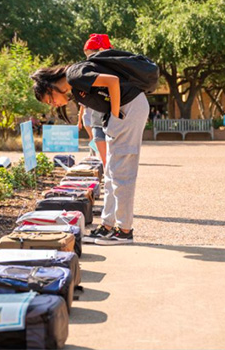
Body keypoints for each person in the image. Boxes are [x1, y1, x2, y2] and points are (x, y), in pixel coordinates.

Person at [30, 45, 150, 246]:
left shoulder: (75, 75)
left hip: (129, 108)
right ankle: (108, 225)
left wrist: (114, 115)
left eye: (49, 100)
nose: (54, 104)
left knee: (122, 172)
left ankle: (124, 231)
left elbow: (112, 82)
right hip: (124, 111)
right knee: (111, 173)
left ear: (51, 87)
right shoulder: (75, 85)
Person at [80, 34, 111, 167]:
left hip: (110, 119)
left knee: (112, 158)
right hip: (97, 119)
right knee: (104, 160)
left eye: (91, 55)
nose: (88, 59)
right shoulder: (92, 69)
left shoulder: (111, 68)